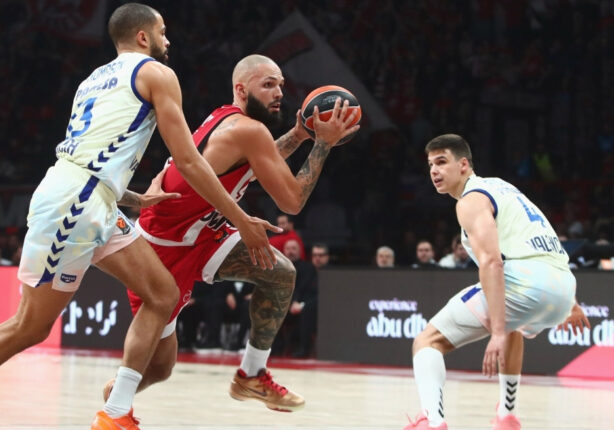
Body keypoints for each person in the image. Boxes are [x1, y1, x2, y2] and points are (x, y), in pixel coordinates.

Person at [0, 4, 279, 430]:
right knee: (29, 326)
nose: (168, 41)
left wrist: (132, 197)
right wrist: (241, 218)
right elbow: (188, 160)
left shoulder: (93, 79)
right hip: (78, 204)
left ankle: (115, 413)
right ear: (143, 37)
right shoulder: (156, 73)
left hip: (93, 199)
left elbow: (87, 153)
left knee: (162, 294)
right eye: (163, 32)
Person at [107, 54, 359, 412]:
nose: (279, 93)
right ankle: (115, 403)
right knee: (160, 368)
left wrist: (300, 135)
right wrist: (323, 144)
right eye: (268, 84)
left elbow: (258, 160)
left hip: (202, 232)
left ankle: (251, 375)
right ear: (241, 89)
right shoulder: (249, 130)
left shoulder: (227, 118)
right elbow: (292, 201)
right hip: (165, 248)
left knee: (280, 274)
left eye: (281, 85)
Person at [404, 134, 590, 430]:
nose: (434, 171)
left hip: (528, 282)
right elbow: (544, 242)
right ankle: (506, 416)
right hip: (563, 285)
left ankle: (433, 422)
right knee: (511, 320)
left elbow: (493, 262)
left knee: (427, 341)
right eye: (430, 165)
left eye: (442, 162)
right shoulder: (502, 187)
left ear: (463, 165)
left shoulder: (470, 201)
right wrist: (572, 303)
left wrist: (498, 333)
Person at [282, 239, 318, 358]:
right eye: (288, 248)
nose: (290, 251)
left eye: (294, 248)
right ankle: (272, 349)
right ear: (283, 250)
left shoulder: (307, 268)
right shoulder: (278, 268)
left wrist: (296, 302)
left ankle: (303, 349)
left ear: (300, 251)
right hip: (283, 303)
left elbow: (303, 288)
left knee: (306, 311)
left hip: (300, 303)